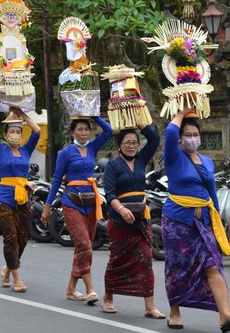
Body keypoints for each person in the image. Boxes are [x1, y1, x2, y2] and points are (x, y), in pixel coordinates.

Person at [162, 107, 230, 331]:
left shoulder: (207, 162)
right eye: (187, 135)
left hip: (205, 222)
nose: (192, 138)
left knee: (213, 264)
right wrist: (181, 113)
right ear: (181, 139)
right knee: (177, 267)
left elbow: (211, 192)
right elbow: (170, 134)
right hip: (177, 222)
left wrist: (218, 220)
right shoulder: (174, 157)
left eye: (195, 134)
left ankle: (225, 315)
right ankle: (174, 310)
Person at [41, 117, 112, 305]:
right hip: (71, 203)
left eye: (86, 130)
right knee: (85, 245)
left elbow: (108, 131)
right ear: (72, 132)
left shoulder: (92, 148)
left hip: (90, 203)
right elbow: (56, 180)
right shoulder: (65, 153)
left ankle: (71, 288)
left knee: (83, 246)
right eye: (79, 130)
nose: (83, 133)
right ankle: (90, 289)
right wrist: (47, 207)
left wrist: (93, 115)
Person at [101, 125, 164, 319]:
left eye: (134, 143)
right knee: (117, 260)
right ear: (119, 146)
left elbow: (154, 139)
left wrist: (140, 124)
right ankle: (108, 298)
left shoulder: (141, 160)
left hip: (140, 220)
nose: (131, 146)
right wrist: (121, 209)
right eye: (127, 143)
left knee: (146, 258)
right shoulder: (113, 165)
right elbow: (110, 193)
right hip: (119, 221)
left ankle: (149, 306)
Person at [0, 93, 40, 293]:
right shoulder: (0, 150)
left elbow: (36, 130)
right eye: (12, 131)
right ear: (6, 134)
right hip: (4, 199)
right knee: (10, 237)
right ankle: (17, 277)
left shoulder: (26, 150)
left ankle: (8, 268)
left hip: (23, 197)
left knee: (23, 237)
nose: (16, 134)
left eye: (18, 131)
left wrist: (21, 113)